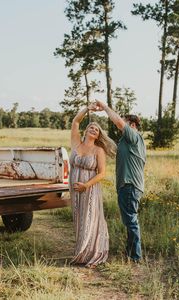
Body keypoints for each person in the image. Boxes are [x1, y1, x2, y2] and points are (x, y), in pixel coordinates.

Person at [93, 100, 146, 263]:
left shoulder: (134, 136)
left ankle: (135, 257)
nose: (121, 125)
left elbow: (117, 121)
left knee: (131, 220)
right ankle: (131, 253)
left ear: (133, 125)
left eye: (125, 122)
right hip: (126, 186)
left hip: (130, 185)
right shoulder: (126, 142)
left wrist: (105, 108)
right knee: (129, 220)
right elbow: (111, 148)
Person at [69, 105, 117, 268]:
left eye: (97, 129)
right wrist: (87, 109)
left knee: (89, 218)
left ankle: (92, 253)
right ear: (86, 131)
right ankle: (81, 252)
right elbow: (76, 121)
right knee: (79, 218)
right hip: (75, 188)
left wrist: (86, 185)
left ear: (98, 135)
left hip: (89, 188)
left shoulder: (98, 150)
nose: (94, 129)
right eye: (91, 127)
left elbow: (102, 173)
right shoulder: (76, 143)